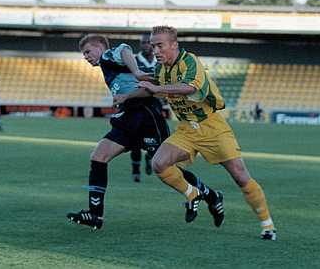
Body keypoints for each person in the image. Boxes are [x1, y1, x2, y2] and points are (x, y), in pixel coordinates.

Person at [67, 34, 224, 230]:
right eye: (84, 55)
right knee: (99, 157)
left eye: (88, 52)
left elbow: (123, 48)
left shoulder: (108, 56)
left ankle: (211, 195)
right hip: (127, 118)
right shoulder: (109, 66)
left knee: (166, 167)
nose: (86, 57)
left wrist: (137, 73)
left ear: (99, 47)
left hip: (146, 116)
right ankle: (95, 214)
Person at [139, 25, 276, 240]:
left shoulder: (189, 61)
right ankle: (192, 193)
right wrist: (125, 96)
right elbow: (149, 82)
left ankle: (267, 225)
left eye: (159, 46)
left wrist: (158, 89)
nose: (155, 51)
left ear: (174, 45)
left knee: (241, 177)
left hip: (212, 126)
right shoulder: (161, 69)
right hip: (186, 129)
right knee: (158, 163)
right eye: (153, 46)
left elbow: (190, 87)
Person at [130, 34, 159, 182]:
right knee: (135, 140)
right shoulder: (134, 60)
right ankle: (136, 171)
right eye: (143, 42)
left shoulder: (159, 61)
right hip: (137, 105)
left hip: (155, 106)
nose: (146, 45)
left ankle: (149, 157)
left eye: (148, 42)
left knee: (153, 140)